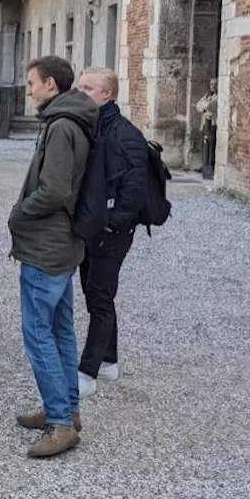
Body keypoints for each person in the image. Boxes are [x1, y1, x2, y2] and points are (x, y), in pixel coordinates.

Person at [9, 56, 98, 459]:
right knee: (60, 329)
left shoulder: (61, 126)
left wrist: (19, 211)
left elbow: (55, 190)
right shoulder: (66, 120)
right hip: (59, 244)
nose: (27, 90)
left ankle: (60, 423)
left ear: (50, 84)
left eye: (31, 83)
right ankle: (66, 409)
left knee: (39, 332)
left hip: (47, 245)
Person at [76, 68, 149, 397]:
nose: (82, 92)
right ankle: (108, 359)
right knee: (96, 293)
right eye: (81, 87)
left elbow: (136, 185)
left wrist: (113, 222)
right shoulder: (92, 125)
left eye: (89, 88)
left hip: (111, 231)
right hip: (92, 226)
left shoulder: (125, 133)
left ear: (108, 94)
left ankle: (88, 370)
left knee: (100, 297)